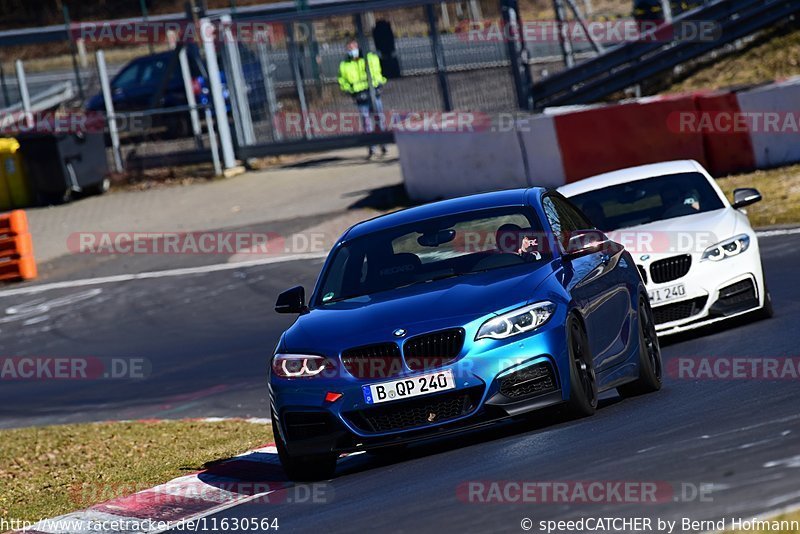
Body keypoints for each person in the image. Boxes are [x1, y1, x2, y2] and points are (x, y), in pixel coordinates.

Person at [338, 40, 388, 159]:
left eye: (353, 47)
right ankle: (372, 148)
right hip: (360, 96)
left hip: (373, 93)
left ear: (358, 47)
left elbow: (378, 72)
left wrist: (379, 85)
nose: (352, 50)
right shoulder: (344, 64)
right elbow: (342, 80)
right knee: (366, 122)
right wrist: (350, 90)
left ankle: (383, 143)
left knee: (378, 119)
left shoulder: (370, 58)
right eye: (349, 48)